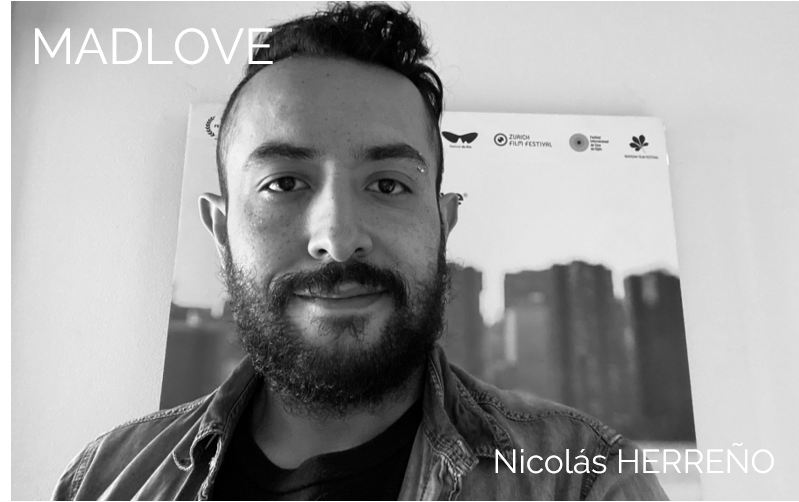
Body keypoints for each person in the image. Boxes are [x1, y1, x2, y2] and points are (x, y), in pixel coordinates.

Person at [52, 3, 668, 500]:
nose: (339, 237)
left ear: (443, 223)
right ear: (221, 229)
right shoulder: (106, 479)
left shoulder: (584, 478)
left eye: (388, 185)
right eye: (283, 184)